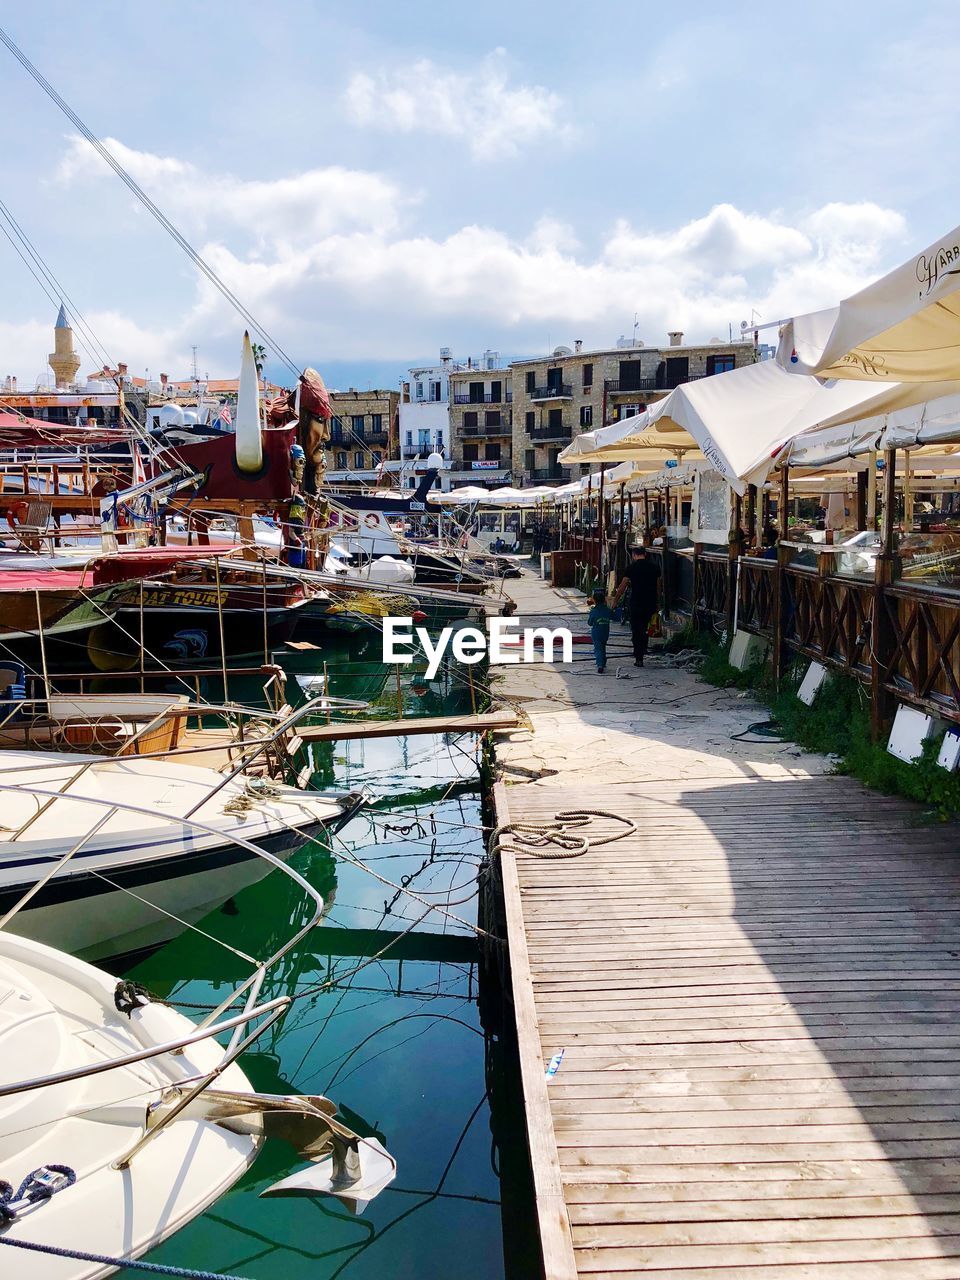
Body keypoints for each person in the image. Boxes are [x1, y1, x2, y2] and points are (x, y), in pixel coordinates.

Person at [612, 545, 661, 666]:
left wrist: (615, 600)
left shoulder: (631, 568)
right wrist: (659, 601)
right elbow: (659, 587)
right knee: (645, 627)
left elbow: (622, 586)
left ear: (634, 555)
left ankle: (638, 657)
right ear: (645, 554)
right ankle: (643, 649)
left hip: (636, 602)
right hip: (650, 602)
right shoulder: (654, 567)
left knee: (636, 629)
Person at [587, 588, 612, 674]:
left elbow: (590, 623)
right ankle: (604, 661)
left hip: (596, 633)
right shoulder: (607, 610)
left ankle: (600, 665)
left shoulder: (593, 611)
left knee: (598, 649)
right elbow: (614, 617)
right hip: (605, 632)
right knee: (603, 647)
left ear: (594, 601)